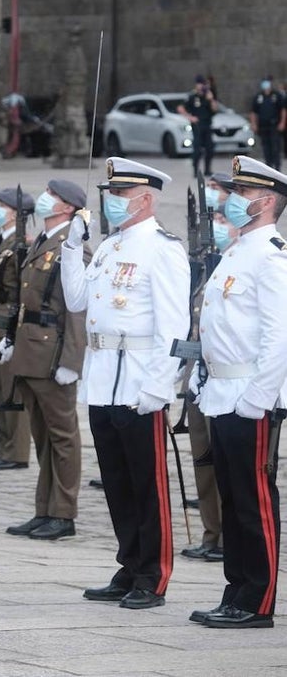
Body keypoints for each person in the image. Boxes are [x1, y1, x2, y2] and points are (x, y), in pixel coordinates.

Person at [61, 157, 189, 610]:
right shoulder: (111, 248)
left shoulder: (163, 248)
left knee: (147, 484)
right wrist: (72, 249)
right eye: (110, 194)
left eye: (119, 195)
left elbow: (174, 326)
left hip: (139, 382)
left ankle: (154, 574)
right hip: (102, 380)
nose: (111, 202)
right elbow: (76, 299)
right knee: (117, 481)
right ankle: (129, 563)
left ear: (146, 199)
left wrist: (159, 385)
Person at [190, 155, 287, 629]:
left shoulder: (271, 256)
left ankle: (258, 600)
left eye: (242, 194)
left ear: (266, 201)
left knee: (254, 501)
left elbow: (278, 337)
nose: (231, 200)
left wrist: (258, 400)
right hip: (221, 391)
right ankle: (235, 590)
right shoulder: (237, 251)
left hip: (249, 396)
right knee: (231, 498)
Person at [3, 179, 89, 541]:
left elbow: (76, 310)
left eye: (53, 196)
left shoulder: (73, 249)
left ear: (68, 208)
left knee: (62, 436)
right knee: (42, 435)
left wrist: (72, 359)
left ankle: (64, 513)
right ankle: (45, 508)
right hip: (32, 351)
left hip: (53, 355)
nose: (45, 198)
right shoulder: (42, 241)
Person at [179, 175, 231, 563]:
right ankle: (212, 533)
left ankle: (230, 537)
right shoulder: (206, 262)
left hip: (228, 378)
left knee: (229, 464)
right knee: (203, 458)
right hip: (198, 375)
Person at [0, 187, 33, 471]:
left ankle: (17, 451)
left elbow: (22, 291)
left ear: (16, 213)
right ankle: (5, 447)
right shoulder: (3, 241)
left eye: (2, 205)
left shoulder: (21, 244)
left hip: (8, 322)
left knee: (12, 390)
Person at [178, 75, 219, 176]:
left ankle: (207, 170)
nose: (201, 86)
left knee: (210, 148)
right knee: (197, 150)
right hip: (197, 126)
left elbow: (215, 109)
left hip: (207, 125)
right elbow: (180, 108)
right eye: (199, 83)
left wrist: (211, 99)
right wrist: (190, 117)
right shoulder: (192, 96)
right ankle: (195, 171)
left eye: (202, 83)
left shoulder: (208, 96)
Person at [248, 78, 285, 171]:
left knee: (275, 147)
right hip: (263, 126)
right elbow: (253, 111)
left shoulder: (277, 95)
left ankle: (277, 167)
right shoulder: (258, 96)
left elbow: (283, 110)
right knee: (266, 147)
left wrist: (282, 122)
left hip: (274, 125)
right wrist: (254, 124)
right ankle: (268, 167)